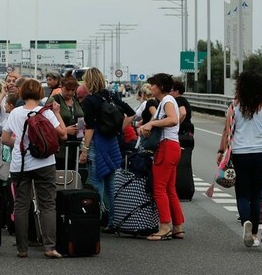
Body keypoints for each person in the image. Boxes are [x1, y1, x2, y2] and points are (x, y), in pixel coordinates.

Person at [1, 78, 67, 258]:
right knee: (47, 204)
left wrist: (20, 145)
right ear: (40, 93)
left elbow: (5, 139)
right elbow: (63, 134)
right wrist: (57, 113)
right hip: (45, 162)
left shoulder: (15, 113)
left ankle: (22, 248)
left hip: (20, 164)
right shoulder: (46, 112)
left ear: (22, 93)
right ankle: (49, 247)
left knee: (21, 205)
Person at [217, 70, 262, 248]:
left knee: (242, 192)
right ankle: (253, 232)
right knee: (256, 194)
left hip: (240, 153)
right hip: (261, 154)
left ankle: (245, 220)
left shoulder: (233, 108)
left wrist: (221, 151)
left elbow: (227, 132)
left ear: (241, 87)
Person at [79, 67, 135, 232]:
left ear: (89, 81)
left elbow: (90, 128)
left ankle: (95, 221)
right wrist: (117, 129)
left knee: (96, 185)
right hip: (112, 144)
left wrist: (84, 150)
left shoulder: (89, 101)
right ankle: (112, 222)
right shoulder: (111, 96)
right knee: (111, 186)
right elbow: (131, 113)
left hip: (97, 145)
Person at [138, 73, 185, 241]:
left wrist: (151, 123)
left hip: (166, 147)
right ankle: (177, 226)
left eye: (154, 84)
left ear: (161, 87)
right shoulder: (165, 101)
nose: (151, 87)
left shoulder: (167, 101)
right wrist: (145, 125)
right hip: (173, 146)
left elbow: (173, 120)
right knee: (170, 188)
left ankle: (165, 226)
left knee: (159, 188)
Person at [49, 76, 84, 168]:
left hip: (76, 144)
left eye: (73, 90)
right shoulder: (54, 100)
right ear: (61, 87)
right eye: (67, 90)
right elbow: (46, 123)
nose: (70, 93)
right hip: (60, 147)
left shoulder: (76, 100)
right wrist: (64, 130)